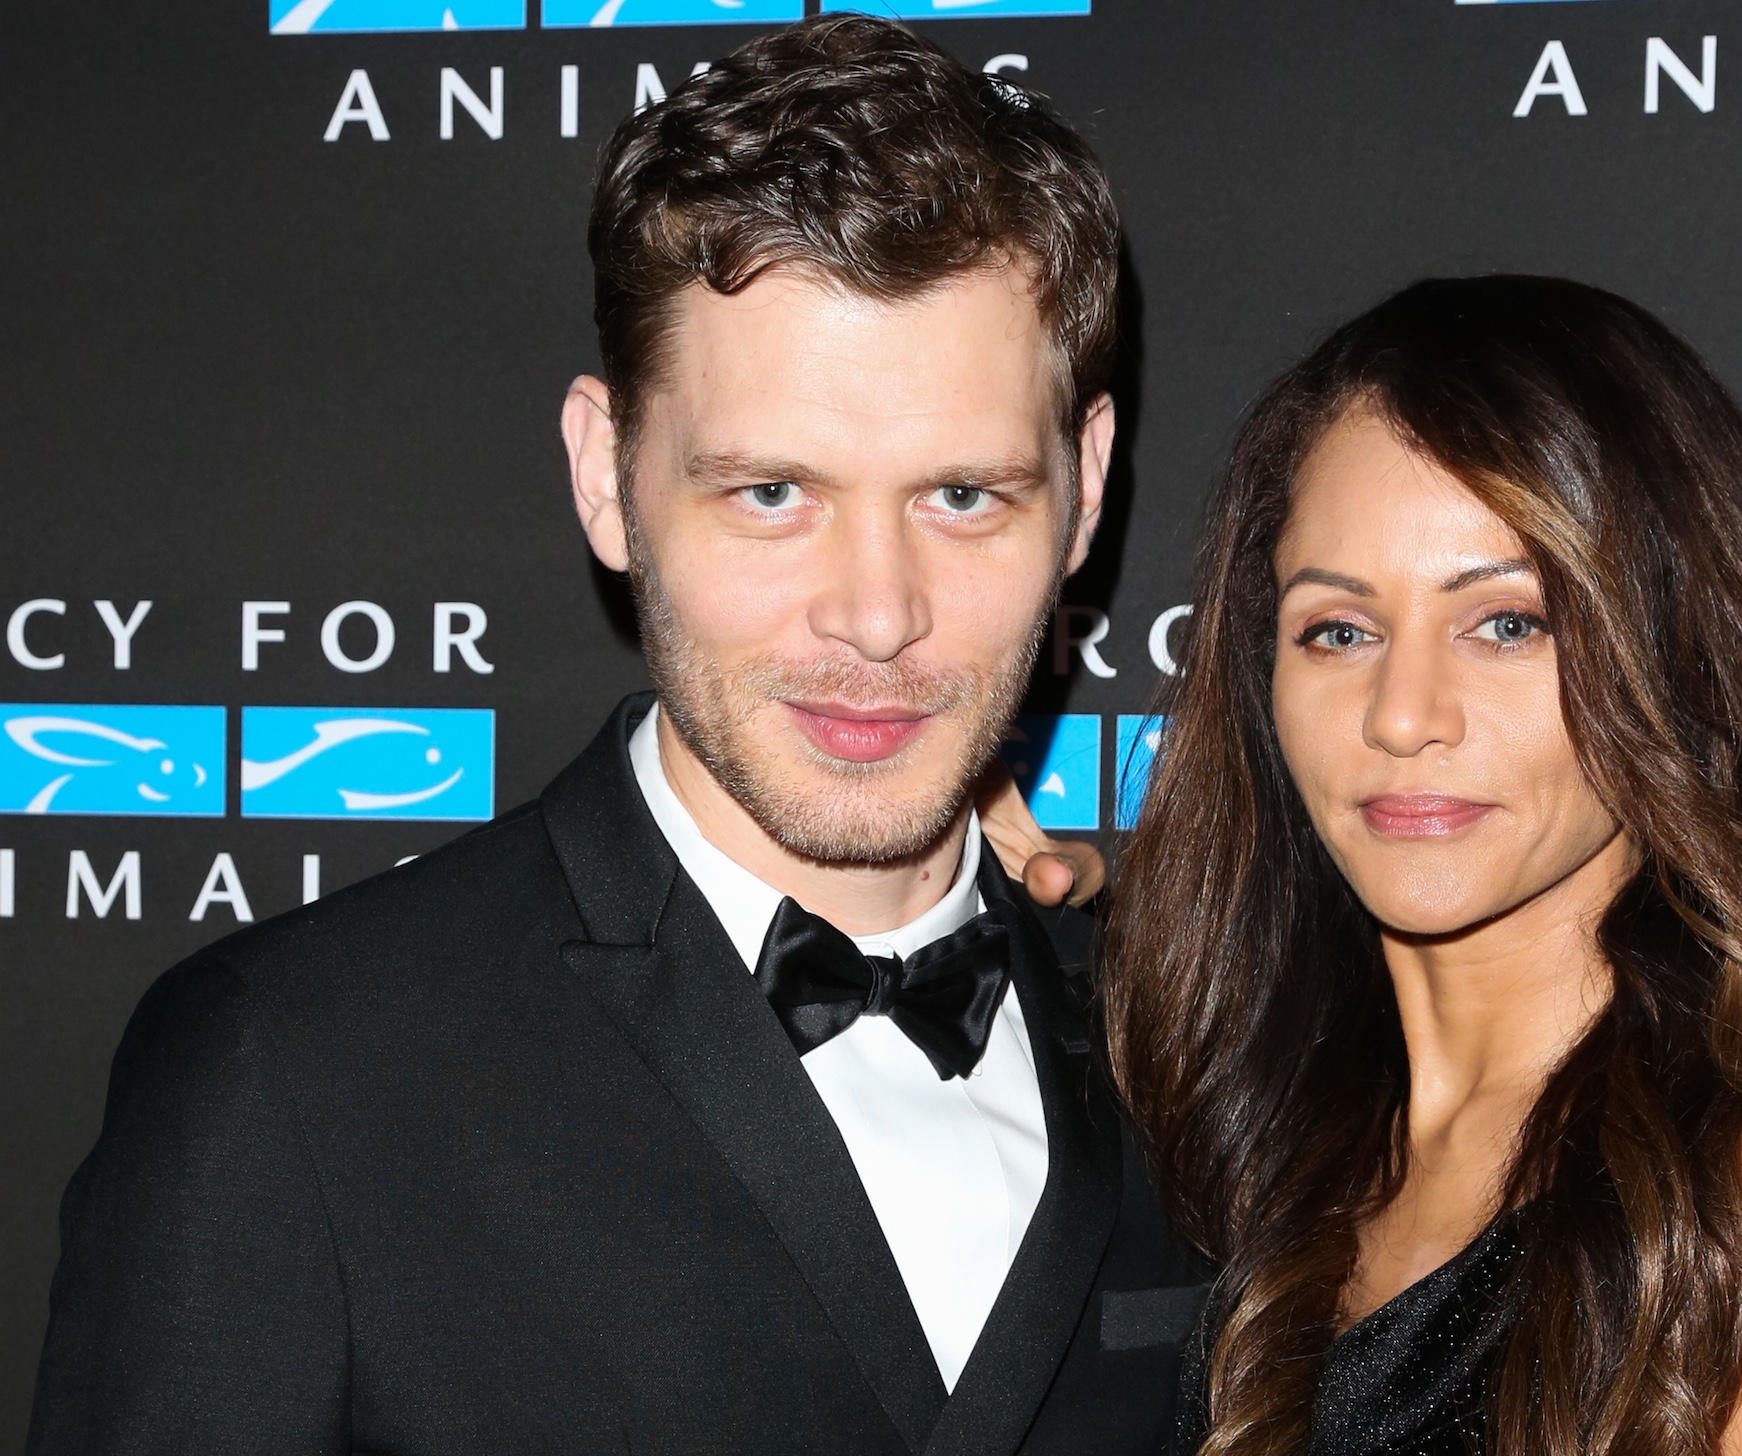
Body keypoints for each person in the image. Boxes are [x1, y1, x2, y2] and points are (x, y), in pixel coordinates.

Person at [28, 17, 1199, 1453]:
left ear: (1082, 490)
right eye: (772, 492)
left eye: (963, 495)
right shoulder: (293, 1071)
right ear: (606, 475)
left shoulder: (1200, 1045)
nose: (879, 617)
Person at [1104, 276, 1742, 1456]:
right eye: (1338, 630)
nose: (1403, 715)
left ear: (1667, 650)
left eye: (1508, 622)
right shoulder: (1239, 1136)